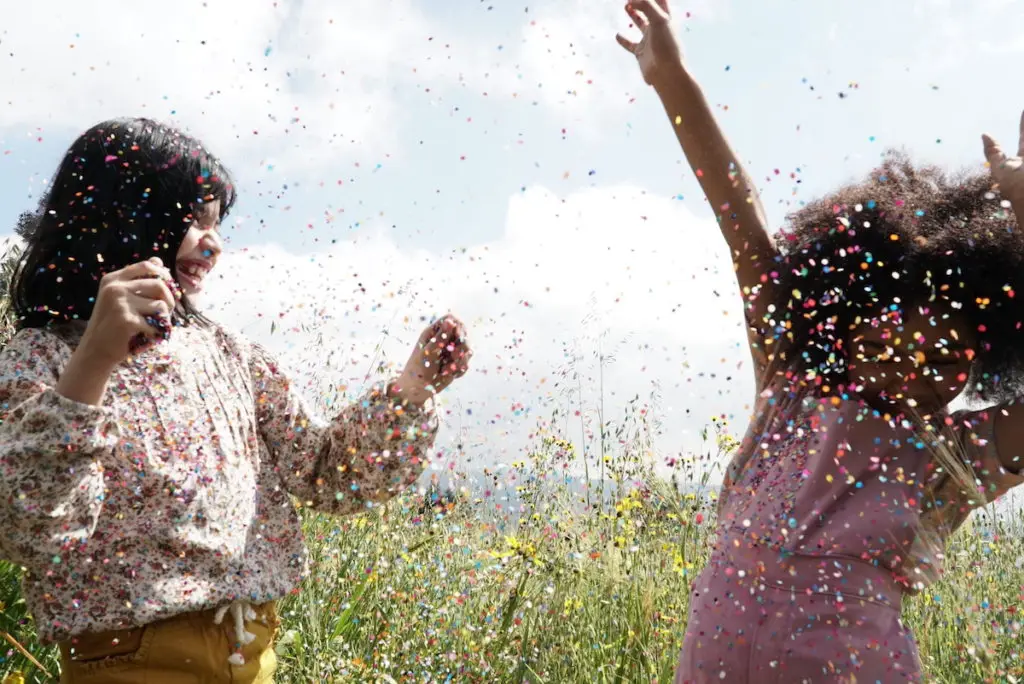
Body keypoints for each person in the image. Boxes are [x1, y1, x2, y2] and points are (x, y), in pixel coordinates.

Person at [617, 1, 1024, 681]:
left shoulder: (957, 457)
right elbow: (740, 218)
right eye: (905, 343)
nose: (925, 374)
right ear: (853, 311)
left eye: (953, 361)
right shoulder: (789, 380)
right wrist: (673, 81)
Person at [0, 118, 471, 683]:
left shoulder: (231, 355)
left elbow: (326, 472)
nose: (213, 241)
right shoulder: (44, 359)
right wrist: (95, 361)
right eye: (192, 218)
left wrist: (413, 389)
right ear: (121, 215)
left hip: (253, 652)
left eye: (216, 223)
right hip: (127, 659)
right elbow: (28, 526)